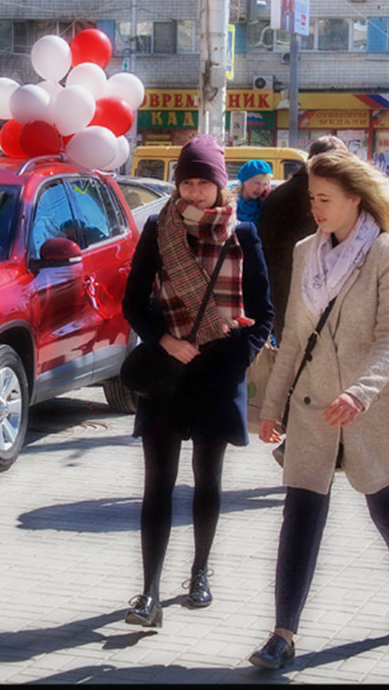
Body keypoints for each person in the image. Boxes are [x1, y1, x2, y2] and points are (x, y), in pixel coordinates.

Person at [248, 150, 389, 670]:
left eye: (325, 199)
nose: (315, 209)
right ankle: (283, 635)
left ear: (356, 199)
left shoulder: (388, 254)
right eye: (311, 199)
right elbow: (294, 337)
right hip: (311, 406)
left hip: (368, 407)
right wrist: (273, 406)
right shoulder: (307, 251)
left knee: (387, 506)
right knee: (300, 514)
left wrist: (360, 391)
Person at [121, 134, 273, 628]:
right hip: (167, 374)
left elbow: (265, 316)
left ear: (220, 186)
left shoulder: (242, 235)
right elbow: (132, 304)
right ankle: (147, 592)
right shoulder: (157, 230)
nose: (192, 192)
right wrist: (166, 342)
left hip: (217, 373)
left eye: (202, 183)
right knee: (157, 486)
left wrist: (235, 361)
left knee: (208, 481)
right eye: (185, 182)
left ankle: (201, 573)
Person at [256, 136, 349, 342]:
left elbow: (262, 246)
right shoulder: (333, 196)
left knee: (289, 351)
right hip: (322, 293)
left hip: (280, 291)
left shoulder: (277, 195)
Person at [233, 159, 272, 225]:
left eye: (265, 184)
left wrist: (266, 203)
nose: (260, 188)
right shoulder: (230, 201)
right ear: (245, 181)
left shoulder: (262, 206)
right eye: (257, 183)